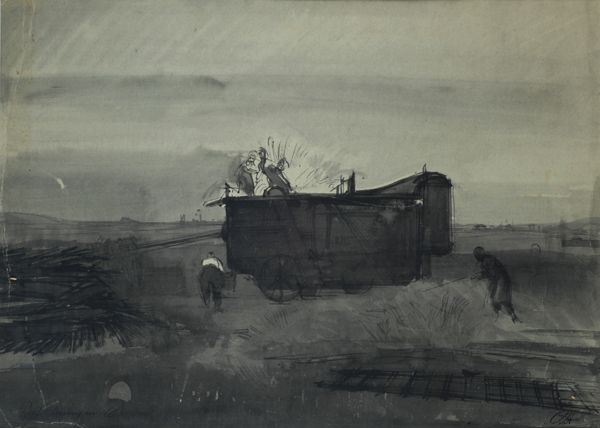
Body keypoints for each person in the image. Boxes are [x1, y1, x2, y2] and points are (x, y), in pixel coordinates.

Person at [472, 246, 520, 323]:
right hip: (495, 280)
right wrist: (479, 275)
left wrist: (480, 276)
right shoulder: (484, 261)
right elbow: (487, 272)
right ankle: (500, 317)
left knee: (501, 299)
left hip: (502, 280)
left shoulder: (489, 260)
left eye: (476, 256)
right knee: (492, 300)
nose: (476, 258)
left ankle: (513, 317)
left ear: (480, 255)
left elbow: (492, 273)